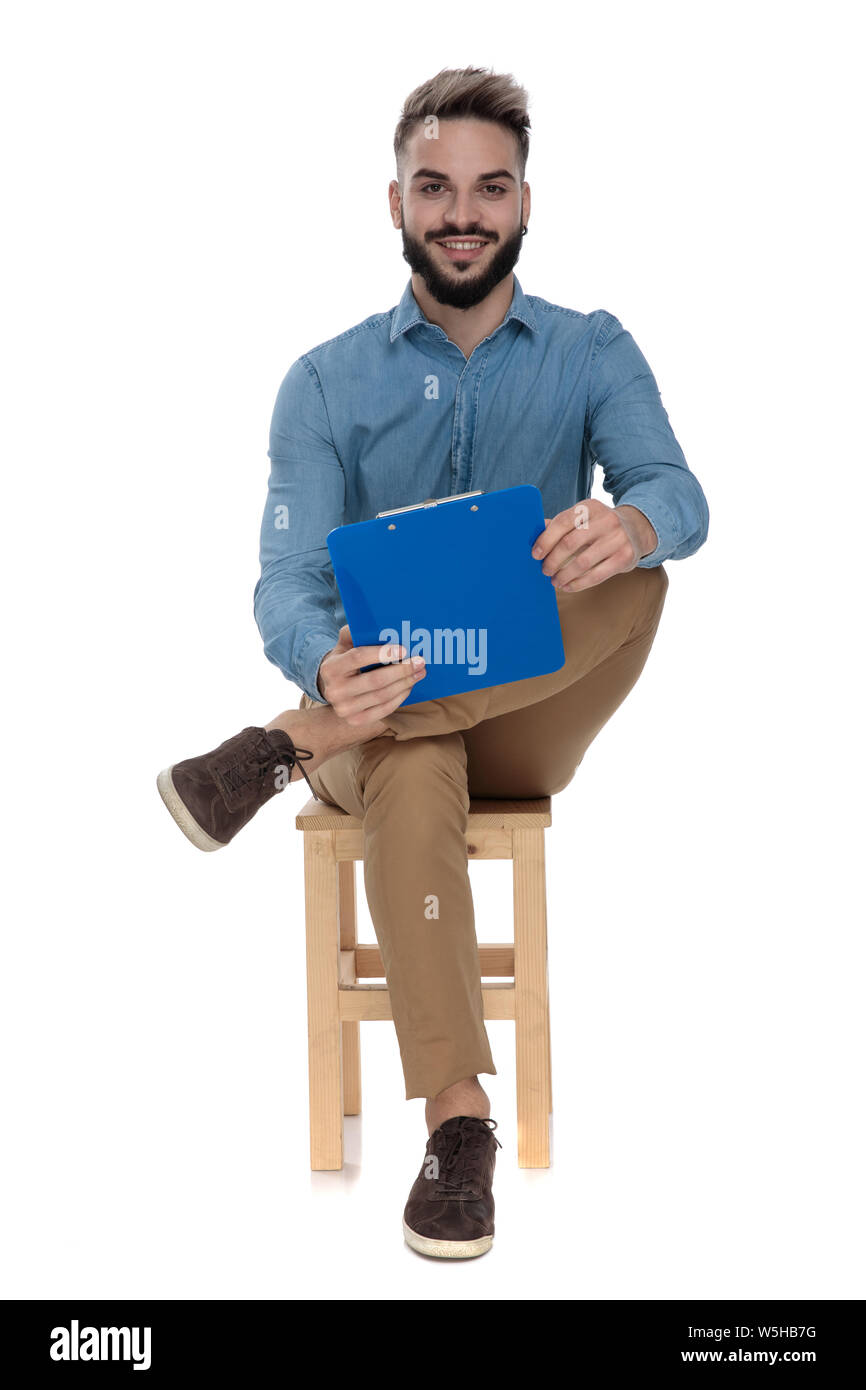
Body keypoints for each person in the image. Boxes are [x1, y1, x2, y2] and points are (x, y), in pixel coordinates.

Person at [157, 66, 709, 1260]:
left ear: (523, 203)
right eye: (434, 186)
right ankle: (461, 1131)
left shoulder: (589, 348)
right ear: (394, 203)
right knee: (414, 755)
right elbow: (285, 583)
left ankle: (278, 750)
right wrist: (318, 661)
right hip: (379, 726)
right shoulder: (322, 381)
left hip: (530, 706)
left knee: (644, 573)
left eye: (488, 188)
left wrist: (631, 522)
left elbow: (677, 492)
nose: (462, 210)